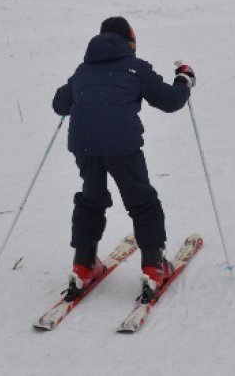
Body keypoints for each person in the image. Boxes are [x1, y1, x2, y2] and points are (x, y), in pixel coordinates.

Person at [52, 16, 196, 303]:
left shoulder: (84, 69)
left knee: (91, 201)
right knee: (142, 203)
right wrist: (184, 80)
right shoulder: (135, 67)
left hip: (84, 146)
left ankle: (83, 266)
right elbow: (170, 101)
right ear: (129, 40)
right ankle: (154, 268)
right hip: (123, 146)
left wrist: (79, 91)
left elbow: (59, 104)